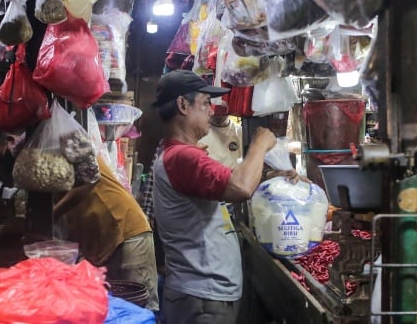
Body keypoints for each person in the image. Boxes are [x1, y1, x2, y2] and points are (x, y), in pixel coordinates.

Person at [151, 70, 302, 324]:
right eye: (205, 103)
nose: (212, 110)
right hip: (201, 299)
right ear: (182, 105)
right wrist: (259, 145)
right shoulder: (182, 157)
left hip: (204, 295)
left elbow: (229, 180)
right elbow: (240, 187)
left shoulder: (179, 154)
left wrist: (273, 175)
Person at [53, 156, 159, 312]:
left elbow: (89, 181)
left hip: (126, 232)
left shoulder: (72, 146)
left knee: (138, 308)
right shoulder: (45, 166)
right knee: (111, 311)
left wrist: (52, 215)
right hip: (101, 245)